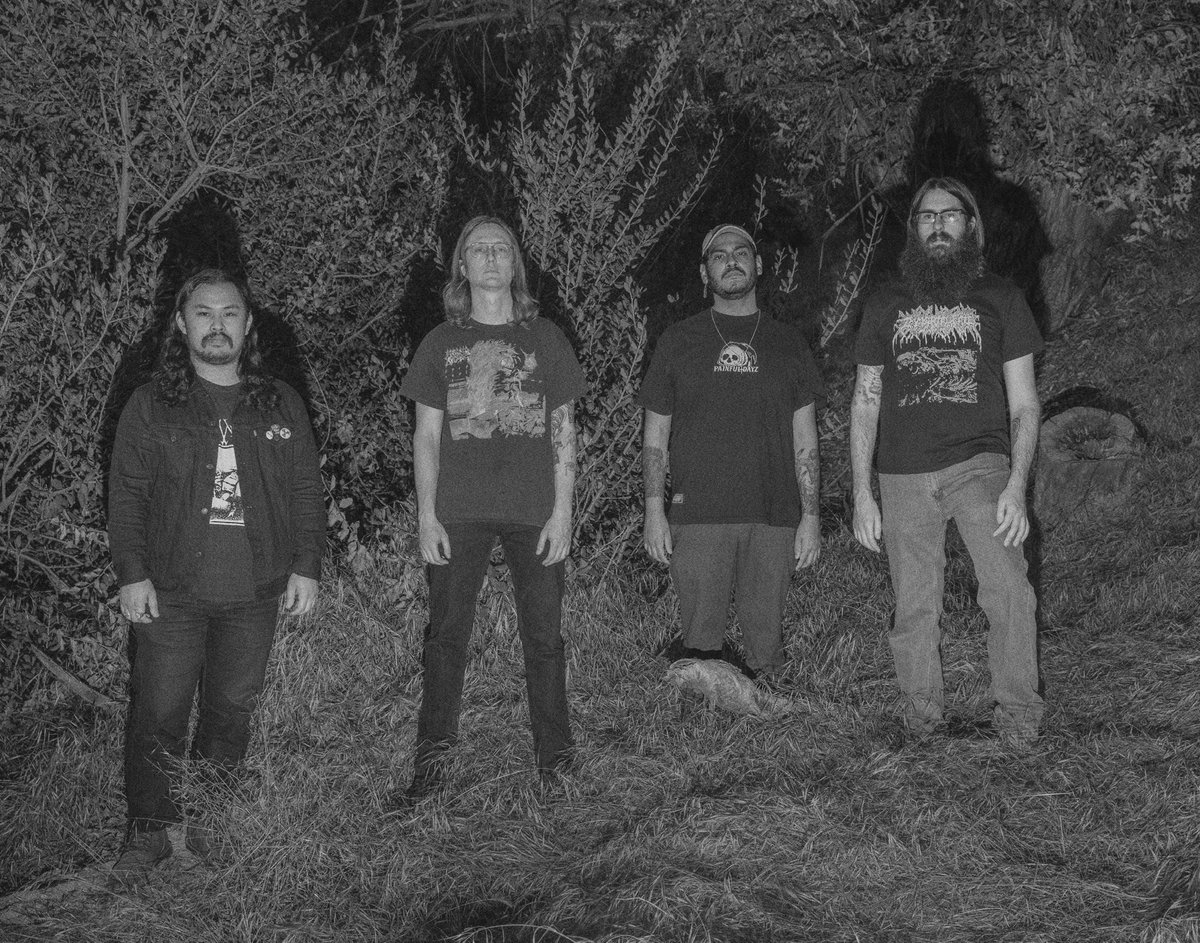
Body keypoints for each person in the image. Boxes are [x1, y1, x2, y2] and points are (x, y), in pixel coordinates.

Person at [107, 268, 325, 885]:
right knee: (160, 711)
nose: (217, 325)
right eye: (203, 313)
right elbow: (126, 494)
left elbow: (305, 490)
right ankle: (149, 829)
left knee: (231, 711)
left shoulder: (279, 401)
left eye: (230, 313)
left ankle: (211, 819)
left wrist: (306, 565)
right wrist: (132, 574)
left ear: (248, 324)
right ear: (182, 323)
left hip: (254, 590)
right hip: (171, 590)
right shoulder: (151, 404)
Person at [397, 216, 585, 801]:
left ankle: (557, 763)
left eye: (501, 249)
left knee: (544, 639)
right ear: (462, 266)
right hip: (459, 510)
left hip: (534, 510)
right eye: (478, 249)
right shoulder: (440, 342)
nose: (490, 258)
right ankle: (431, 769)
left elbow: (564, 429)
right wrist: (427, 516)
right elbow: (426, 436)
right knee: (446, 638)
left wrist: (563, 512)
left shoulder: (546, 338)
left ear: (515, 264)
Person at [851, 176, 1044, 746]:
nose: (937, 225)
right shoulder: (884, 302)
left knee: (1009, 589)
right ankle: (920, 722)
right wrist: (861, 491)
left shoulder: (1001, 297)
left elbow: (1025, 404)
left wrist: (1016, 485)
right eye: (926, 217)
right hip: (901, 475)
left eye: (949, 215)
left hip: (979, 465)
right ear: (913, 230)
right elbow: (865, 400)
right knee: (914, 604)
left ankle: (1019, 720)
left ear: (971, 225)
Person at [639, 224, 824, 680]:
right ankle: (703, 717)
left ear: (758, 264)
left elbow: (806, 438)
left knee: (767, 651)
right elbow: (654, 438)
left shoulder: (788, 343)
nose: (731, 261)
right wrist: (654, 511)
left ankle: (769, 717)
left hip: (773, 513)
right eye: (719, 256)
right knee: (701, 647)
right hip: (698, 513)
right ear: (705, 273)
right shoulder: (678, 341)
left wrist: (811, 515)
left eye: (741, 252)